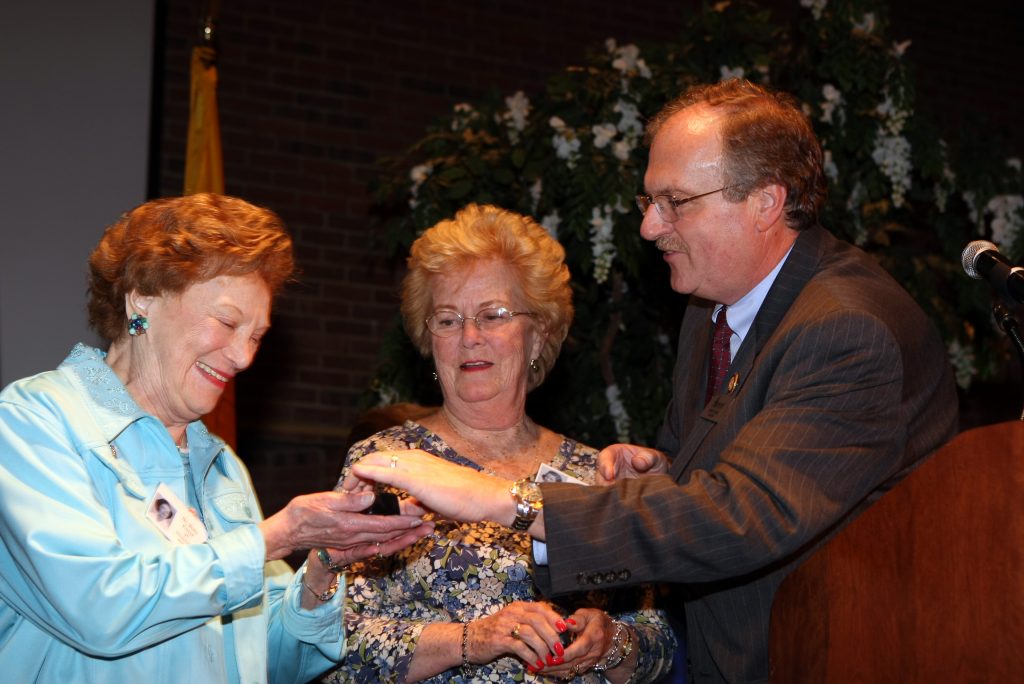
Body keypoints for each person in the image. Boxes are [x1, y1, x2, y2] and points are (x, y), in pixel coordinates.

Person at [344, 80, 960, 683]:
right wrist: (665, 475)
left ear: (766, 202)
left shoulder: (847, 327)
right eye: (648, 202)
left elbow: (745, 516)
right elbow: (724, 489)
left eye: (676, 202)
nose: (649, 228)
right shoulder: (709, 313)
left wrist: (500, 498)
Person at [0, 193, 431, 683]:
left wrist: (320, 570)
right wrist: (276, 537)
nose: (244, 357)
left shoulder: (221, 464)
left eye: (256, 335)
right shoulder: (35, 422)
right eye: (227, 323)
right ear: (143, 297)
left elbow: (273, 663)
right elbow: (100, 609)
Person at [322, 204, 675, 683]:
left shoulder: (593, 473)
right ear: (430, 342)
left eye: (493, 315)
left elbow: (659, 648)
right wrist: (474, 639)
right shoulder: (386, 463)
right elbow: (333, 642)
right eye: (447, 320)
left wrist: (610, 641)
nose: (469, 337)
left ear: (538, 336)